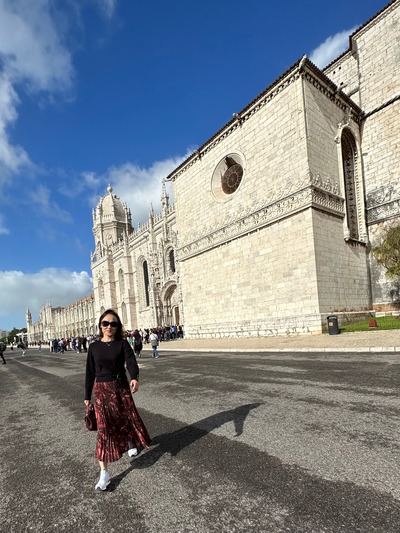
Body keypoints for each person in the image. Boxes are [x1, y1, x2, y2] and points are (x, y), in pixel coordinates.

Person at [84, 309, 151, 491]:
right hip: (101, 391)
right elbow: (90, 372)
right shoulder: (94, 347)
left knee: (125, 419)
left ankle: (130, 442)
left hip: (120, 388)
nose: (109, 327)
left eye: (113, 324)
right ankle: (104, 473)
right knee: (104, 430)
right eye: (106, 323)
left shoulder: (122, 344)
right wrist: (86, 396)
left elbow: (131, 362)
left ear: (117, 326)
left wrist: (135, 377)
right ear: (100, 325)